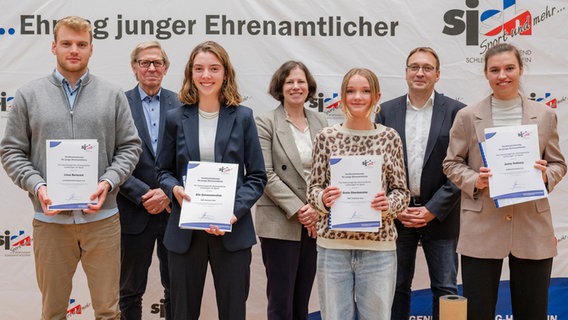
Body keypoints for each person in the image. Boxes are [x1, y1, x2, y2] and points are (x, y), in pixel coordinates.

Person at [0, 16, 141, 319]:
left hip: (102, 221)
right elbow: (11, 151)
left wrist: (107, 182)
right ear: (54, 47)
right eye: (66, 43)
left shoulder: (112, 94)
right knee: (53, 312)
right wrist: (39, 186)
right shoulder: (28, 95)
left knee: (108, 311)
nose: (73, 50)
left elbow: (130, 147)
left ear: (91, 48)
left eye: (81, 44)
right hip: (50, 224)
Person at [443, 43, 566, 320]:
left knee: (532, 312)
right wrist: (476, 179)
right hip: (482, 225)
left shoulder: (545, 115)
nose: (503, 75)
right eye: (495, 70)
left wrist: (546, 175)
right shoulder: (467, 116)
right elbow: (451, 163)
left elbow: (559, 164)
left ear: (521, 70)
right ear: (486, 74)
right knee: (478, 312)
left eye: (509, 68)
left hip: (532, 226)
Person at [155, 40, 267, 320]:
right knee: (182, 313)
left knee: (232, 312)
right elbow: (162, 171)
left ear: (225, 73)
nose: (206, 75)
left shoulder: (243, 117)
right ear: (190, 74)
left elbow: (256, 176)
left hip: (231, 230)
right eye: (199, 68)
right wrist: (174, 189)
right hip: (184, 233)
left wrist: (233, 212)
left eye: (214, 68)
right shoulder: (175, 117)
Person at [307, 68, 409, 320]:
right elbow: (313, 189)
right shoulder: (326, 137)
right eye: (351, 91)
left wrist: (388, 204)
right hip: (333, 247)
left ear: (377, 96)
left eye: (365, 91)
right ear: (342, 97)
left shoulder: (389, 137)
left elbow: (401, 192)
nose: (358, 97)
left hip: (378, 248)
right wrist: (323, 199)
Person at [375, 47, 464, 320]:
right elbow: (377, 167)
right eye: (414, 67)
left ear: (437, 75)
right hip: (396, 216)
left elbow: (462, 168)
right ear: (405, 73)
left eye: (427, 68)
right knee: (396, 287)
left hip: (441, 215)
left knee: (446, 288)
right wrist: (395, 207)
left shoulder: (457, 112)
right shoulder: (385, 111)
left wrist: (432, 209)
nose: (420, 72)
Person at [255, 60, 328, 320]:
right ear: (280, 87)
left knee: (302, 301)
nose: (296, 86)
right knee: (280, 302)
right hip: (280, 221)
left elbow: (329, 171)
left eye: (300, 81)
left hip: (315, 223)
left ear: (308, 86)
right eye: (290, 82)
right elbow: (265, 173)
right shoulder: (265, 122)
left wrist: (316, 210)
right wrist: (301, 210)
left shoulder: (322, 121)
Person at [117, 41, 182, 320]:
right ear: (134, 68)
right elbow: (110, 156)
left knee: (177, 288)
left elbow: (188, 156)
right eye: (145, 62)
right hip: (133, 210)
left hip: (174, 209)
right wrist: (143, 194)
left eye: (157, 62)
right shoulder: (118, 103)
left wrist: (167, 192)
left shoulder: (181, 103)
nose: (151, 68)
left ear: (166, 68)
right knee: (130, 290)